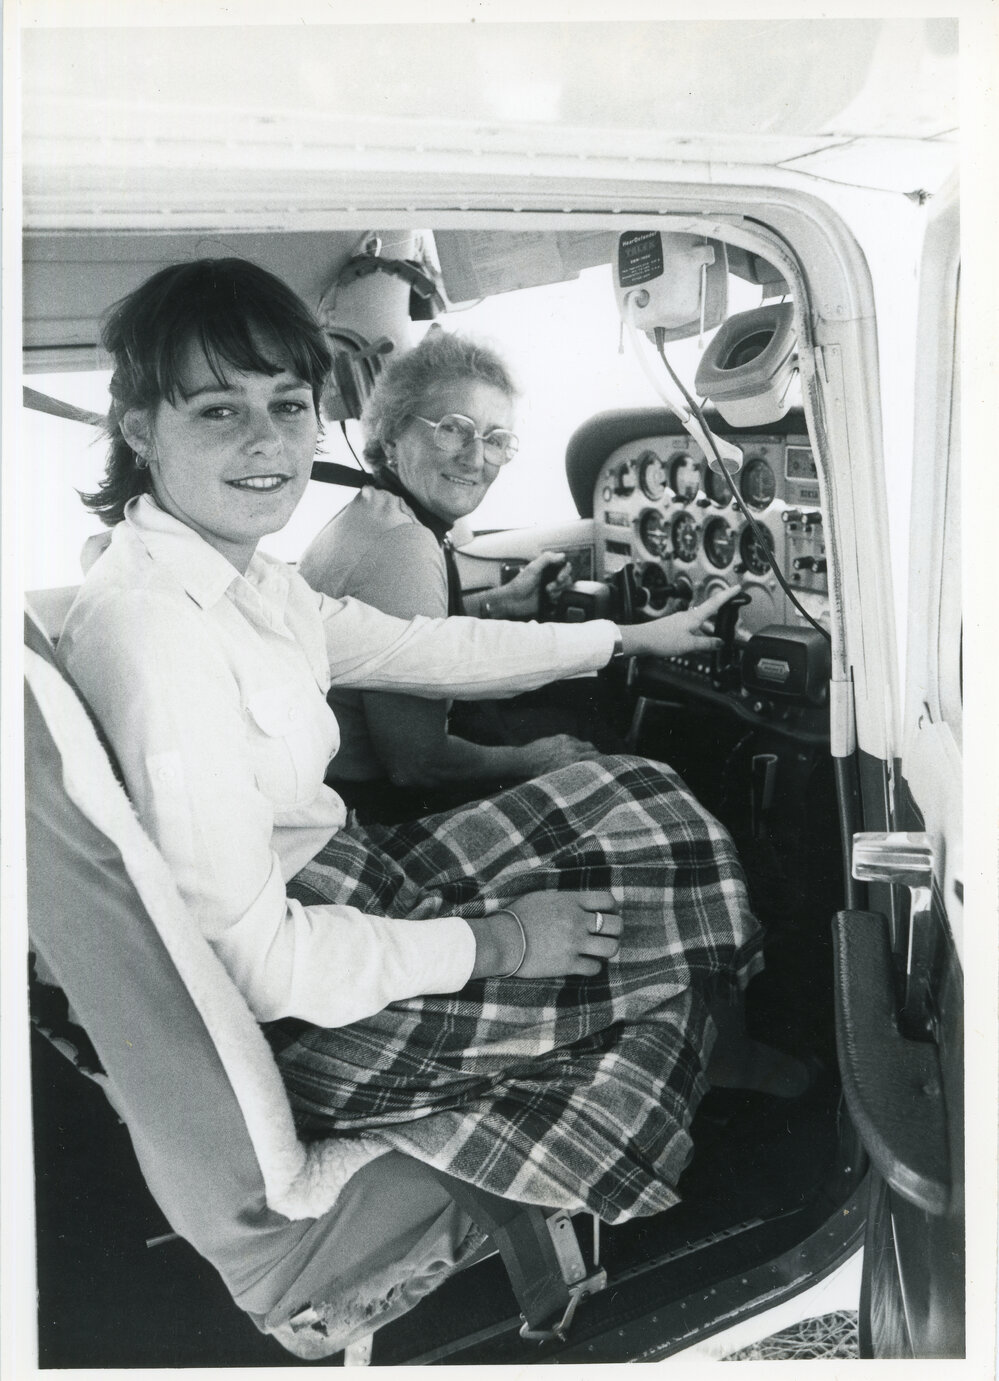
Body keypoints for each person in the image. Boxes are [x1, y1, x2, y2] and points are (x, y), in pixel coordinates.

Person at [59, 258, 804, 1231]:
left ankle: (721, 1038)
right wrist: (505, 940)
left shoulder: (238, 576)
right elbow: (263, 966)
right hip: (301, 1008)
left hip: (334, 874)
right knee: (623, 943)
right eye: (218, 410)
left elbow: (425, 646)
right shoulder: (161, 638)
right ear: (140, 428)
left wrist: (625, 637)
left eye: (286, 406)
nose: (266, 441)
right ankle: (701, 1083)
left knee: (639, 797)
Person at [298, 329, 602, 823]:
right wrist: (532, 759)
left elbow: (399, 632)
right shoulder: (402, 544)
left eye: (495, 440)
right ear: (392, 436)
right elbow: (417, 763)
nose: (476, 458)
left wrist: (500, 603)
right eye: (453, 429)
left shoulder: (377, 514)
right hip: (376, 812)